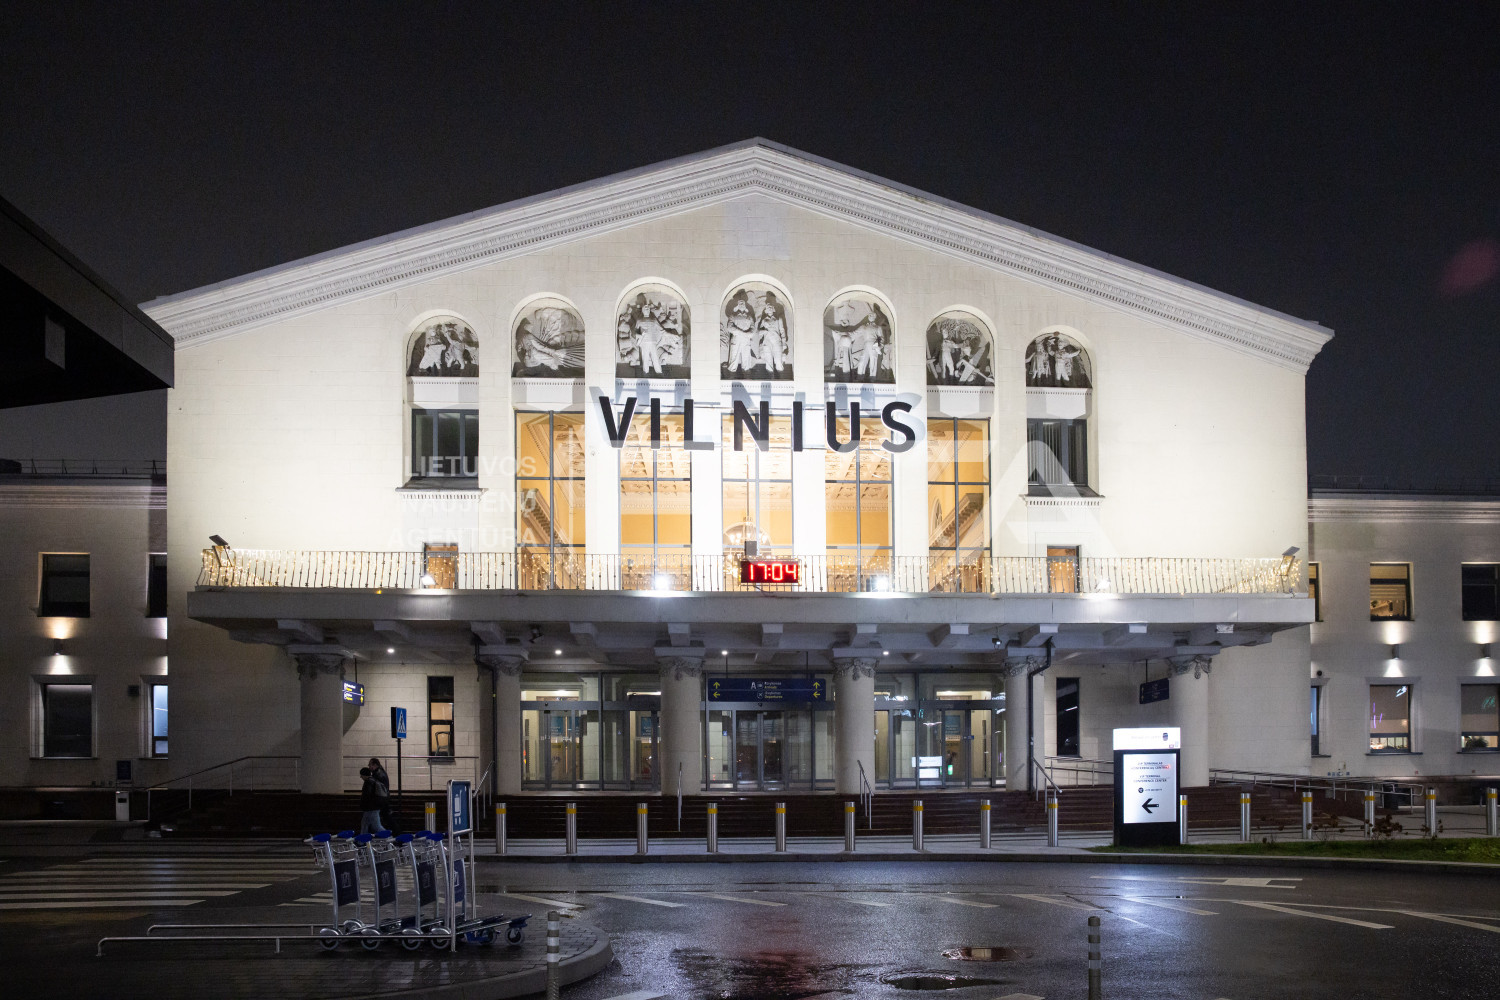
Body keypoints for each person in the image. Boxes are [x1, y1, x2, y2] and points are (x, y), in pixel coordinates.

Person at [358, 767, 385, 834]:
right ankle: (363, 837)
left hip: (370, 808)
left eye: (361, 775)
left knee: (375, 826)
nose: (361, 777)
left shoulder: (368, 782)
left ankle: (388, 836)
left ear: (364, 775)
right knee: (366, 824)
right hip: (375, 807)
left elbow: (366, 795)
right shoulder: (374, 780)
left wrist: (363, 805)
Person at [368, 757, 393, 832]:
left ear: (375, 765)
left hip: (380, 801)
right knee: (386, 819)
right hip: (383, 800)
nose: (369, 766)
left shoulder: (378, 775)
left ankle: (391, 834)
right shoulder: (380, 773)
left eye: (370, 765)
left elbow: (377, 789)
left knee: (384, 821)